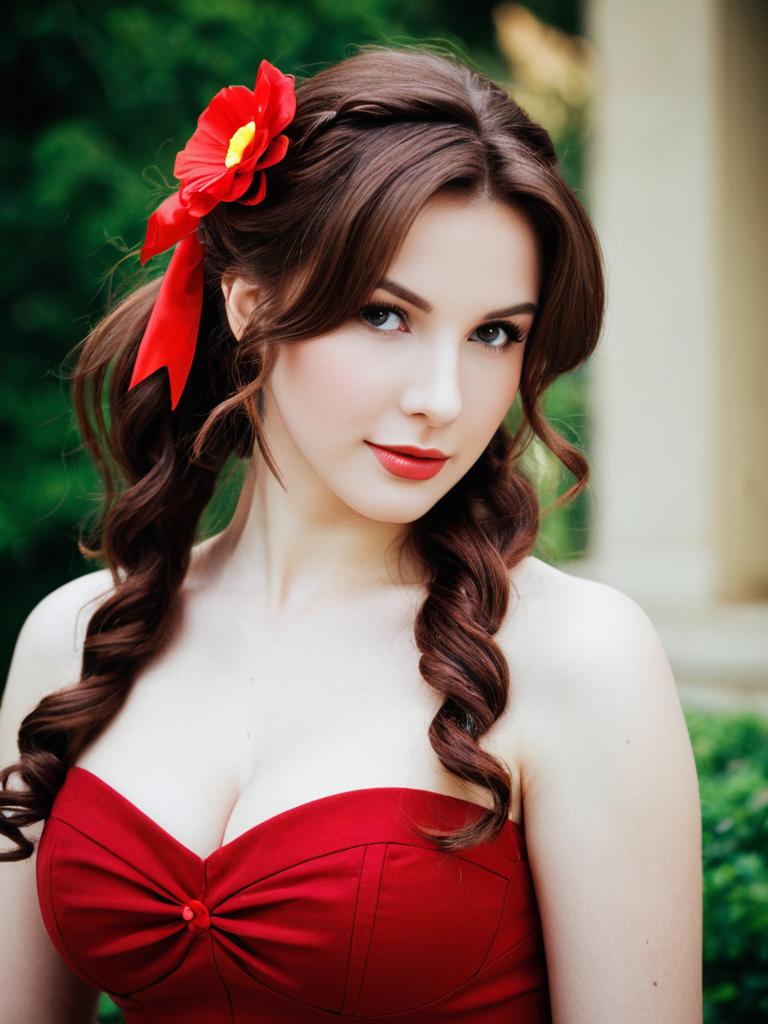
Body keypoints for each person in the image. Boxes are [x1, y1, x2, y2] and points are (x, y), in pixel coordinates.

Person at [0, 42, 702, 1024]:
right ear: (251, 302)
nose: (443, 399)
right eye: (384, 315)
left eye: (495, 333)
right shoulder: (77, 641)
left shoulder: (576, 655)